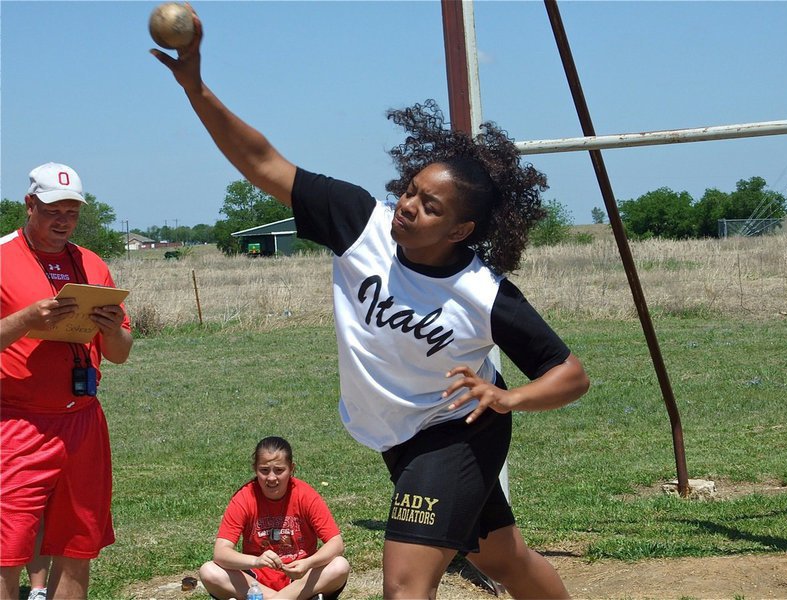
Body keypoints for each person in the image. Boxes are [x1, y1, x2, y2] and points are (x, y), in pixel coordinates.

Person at [152, 8, 589, 599]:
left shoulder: (484, 295)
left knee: (405, 586)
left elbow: (570, 375)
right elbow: (262, 161)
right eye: (411, 189)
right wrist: (197, 89)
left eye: (431, 206)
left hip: (452, 432)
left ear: (460, 230)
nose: (409, 205)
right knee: (501, 555)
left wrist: (509, 396)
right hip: (398, 434)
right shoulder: (360, 222)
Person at [0, 162, 133, 600]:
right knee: (7, 551)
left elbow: (119, 353)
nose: (63, 221)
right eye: (54, 210)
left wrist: (112, 327)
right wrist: (24, 320)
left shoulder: (91, 263)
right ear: (29, 204)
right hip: (17, 423)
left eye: (72, 212)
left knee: (78, 546)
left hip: (82, 422)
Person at [198, 436, 350, 600]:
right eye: (264, 470)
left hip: (299, 579)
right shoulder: (244, 497)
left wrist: (308, 563)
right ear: (255, 468)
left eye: (279, 470)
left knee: (340, 566)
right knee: (208, 571)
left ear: (291, 468)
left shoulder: (305, 494)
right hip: (255, 581)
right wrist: (256, 561)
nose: (271, 478)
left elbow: (336, 543)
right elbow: (221, 553)